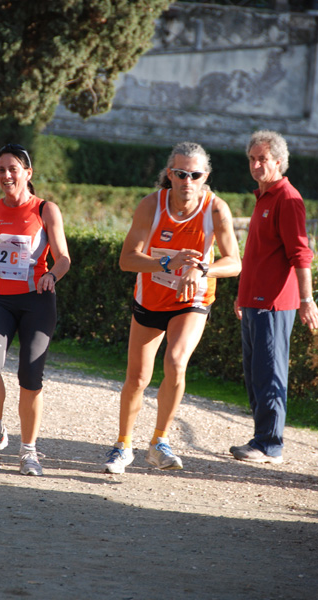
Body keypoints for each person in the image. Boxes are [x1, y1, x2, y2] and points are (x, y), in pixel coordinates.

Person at [103, 141, 241, 474]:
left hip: (192, 300)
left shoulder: (216, 209)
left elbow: (234, 261)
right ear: (170, 174)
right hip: (151, 298)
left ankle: (160, 441)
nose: (187, 181)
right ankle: (123, 445)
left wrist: (202, 269)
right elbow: (127, 260)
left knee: (176, 361)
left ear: (205, 176)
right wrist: (167, 261)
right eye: (180, 174)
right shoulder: (151, 206)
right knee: (137, 378)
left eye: (195, 174)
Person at [0, 143, 70, 476]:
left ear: (27, 173)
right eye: (1, 170)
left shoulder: (45, 210)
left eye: (13, 169)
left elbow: (64, 258)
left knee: (30, 377)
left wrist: (52, 275)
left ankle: (29, 452)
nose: (6, 175)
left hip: (37, 301)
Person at [231, 130, 318, 464]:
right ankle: (261, 439)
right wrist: (241, 294)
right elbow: (256, 256)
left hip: (274, 305)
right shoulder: (264, 197)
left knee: (270, 374)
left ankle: (270, 445)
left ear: (279, 162)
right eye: (252, 159)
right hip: (253, 302)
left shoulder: (287, 198)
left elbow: (301, 252)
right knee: (256, 375)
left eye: (262, 159)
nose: (255, 165)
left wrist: (306, 299)